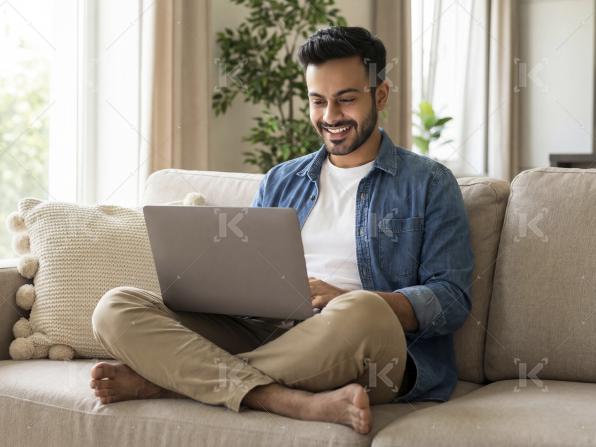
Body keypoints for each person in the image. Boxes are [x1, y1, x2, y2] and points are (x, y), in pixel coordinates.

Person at [89, 26, 473, 434]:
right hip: (271, 334)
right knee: (115, 308)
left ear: (380, 95)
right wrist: (225, 287)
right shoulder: (282, 180)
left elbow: (451, 299)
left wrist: (348, 297)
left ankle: (167, 383)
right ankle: (279, 397)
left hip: (366, 343)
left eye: (345, 99)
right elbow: (250, 274)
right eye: (317, 101)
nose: (330, 117)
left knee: (362, 311)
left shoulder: (429, 182)